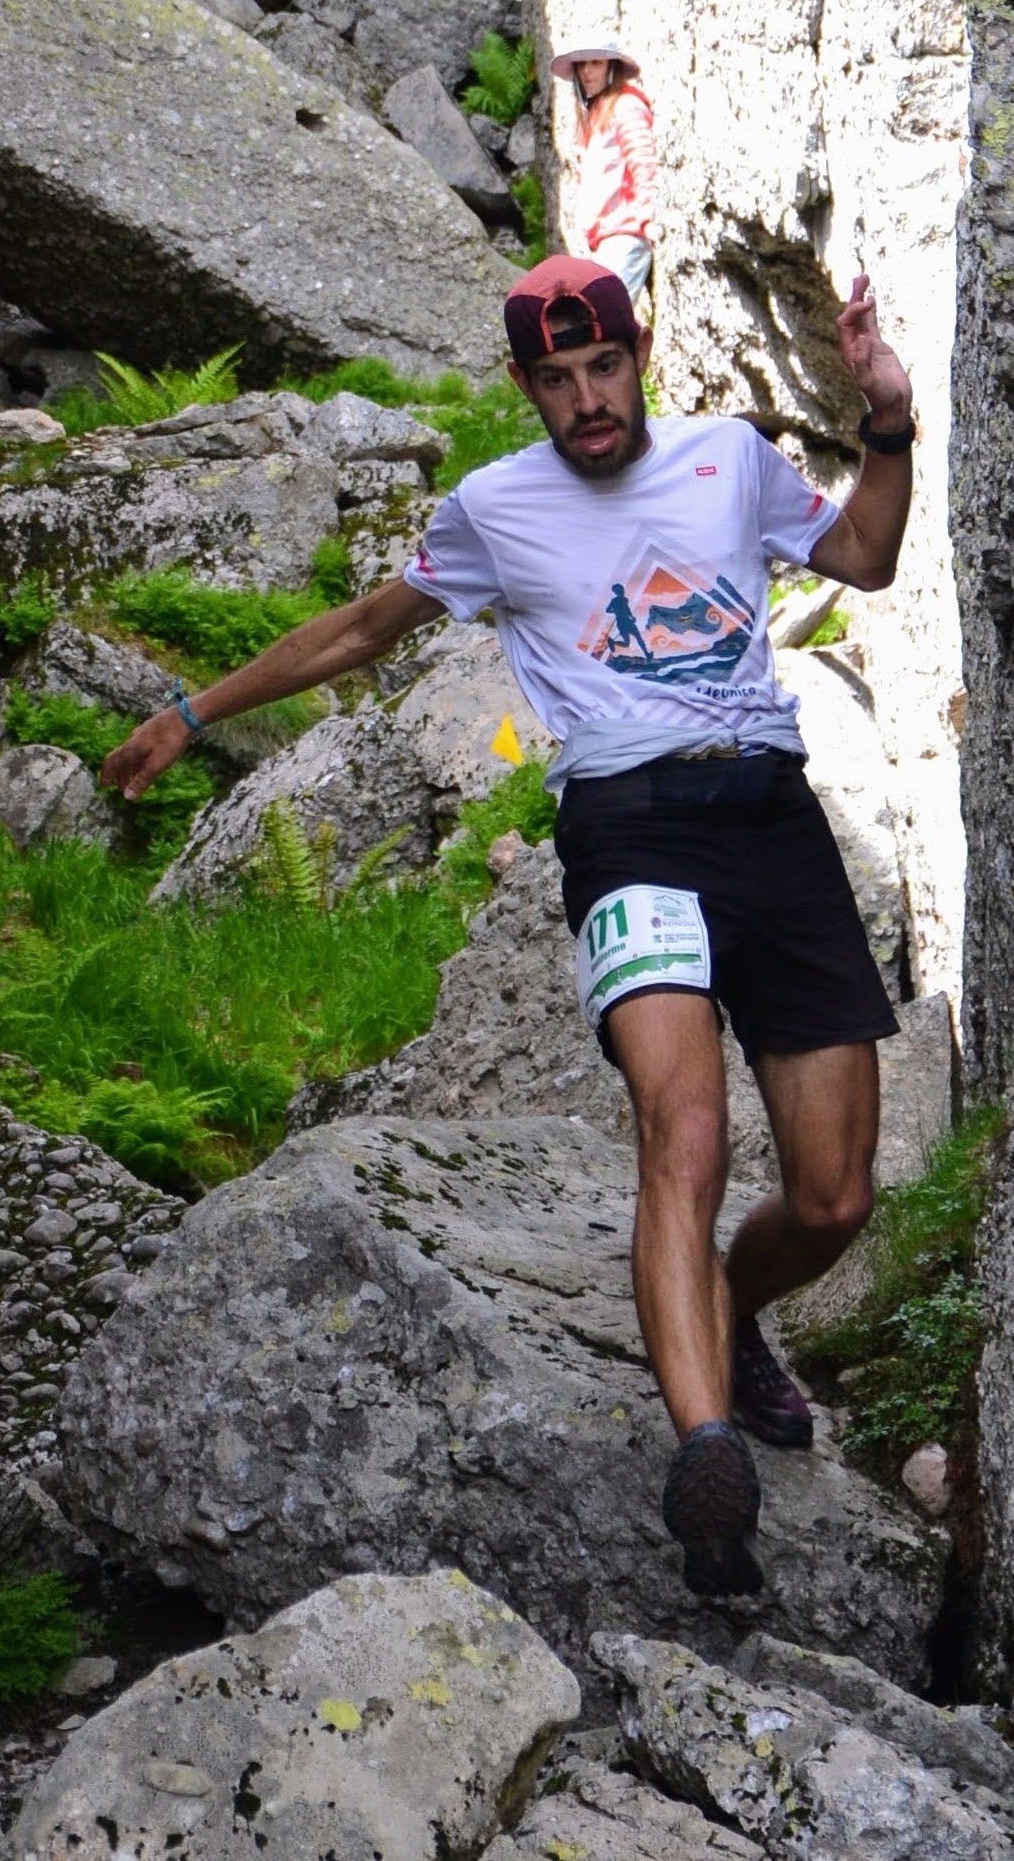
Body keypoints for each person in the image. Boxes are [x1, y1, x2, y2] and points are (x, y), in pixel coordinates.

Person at [101, 255, 918, 1598]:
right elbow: (355, 630)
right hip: (626, 829)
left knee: (833, 1194)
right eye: (555, 379)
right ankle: (704, 1457)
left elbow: (864, 555)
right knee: (684, 1127)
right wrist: (190, 712)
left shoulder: (727, 459)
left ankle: (733, 1304)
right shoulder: (495, 509)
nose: (585, 400)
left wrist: (883, 415)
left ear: (636, 352)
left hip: (770, 820)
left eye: (601, 367)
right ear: (522, 384)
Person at [552, 39, 660, 301]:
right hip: (605, 239)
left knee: (604, 319)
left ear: (611, 67)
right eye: (582, 64)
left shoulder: (626, 105)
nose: (587, 71)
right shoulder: (595, 113)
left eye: (596, 63)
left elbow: (643, 162)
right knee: (599, 321)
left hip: (626, 234)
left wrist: (647, 220)